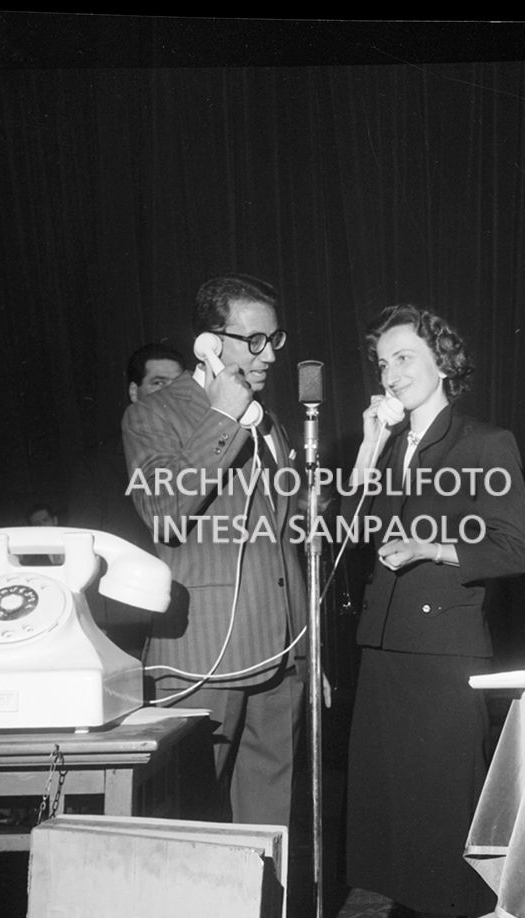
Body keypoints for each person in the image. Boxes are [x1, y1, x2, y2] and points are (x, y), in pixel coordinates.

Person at [343, 303, 525, 918]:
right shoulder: (389, 447)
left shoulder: (484, 442)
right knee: (408, 844)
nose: (390, 374)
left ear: (441, 363)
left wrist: (434, 545)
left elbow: (514, 548)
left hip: (441, 657)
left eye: (403, 358)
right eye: (381, 362)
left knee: (449, 835)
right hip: (383, 652)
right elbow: (346, 537)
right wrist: (368, 447)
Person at [122, 273, 318, 829]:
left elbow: (280, 538)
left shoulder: (269, 422)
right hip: (203, 655)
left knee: (269, 822)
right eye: (253, 340)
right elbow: (163, 513)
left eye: (274, 339)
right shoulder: (153, 415)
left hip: (282, 654)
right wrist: (223, 418)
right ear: (209, 342)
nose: (269, 355)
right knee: (193, 823)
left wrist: (307, 643)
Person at [67, 343, 186, 655]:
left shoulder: (199, 456)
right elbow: (80, 550)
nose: (170, 394)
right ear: (134, 392)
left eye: (178, 385)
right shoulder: (96, 463)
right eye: (158, 383)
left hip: (189, 619)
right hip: (126, 623)